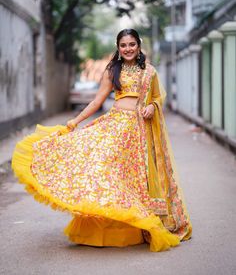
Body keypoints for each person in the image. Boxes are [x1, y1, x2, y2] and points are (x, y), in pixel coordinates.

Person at [12, 28, 192, 252]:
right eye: (123, 45)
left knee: (130, 179)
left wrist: (151, 107)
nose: (128, 49)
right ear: (118, 48)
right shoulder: (112, 70)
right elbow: (97, 101)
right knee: (101, 167)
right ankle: (100, 228)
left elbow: (158, 98)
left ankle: (126, 229)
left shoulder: (149, 71)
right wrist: (74, 121)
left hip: (137, 133)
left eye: (132, 44)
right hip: (114, 125)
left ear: (139, 46)